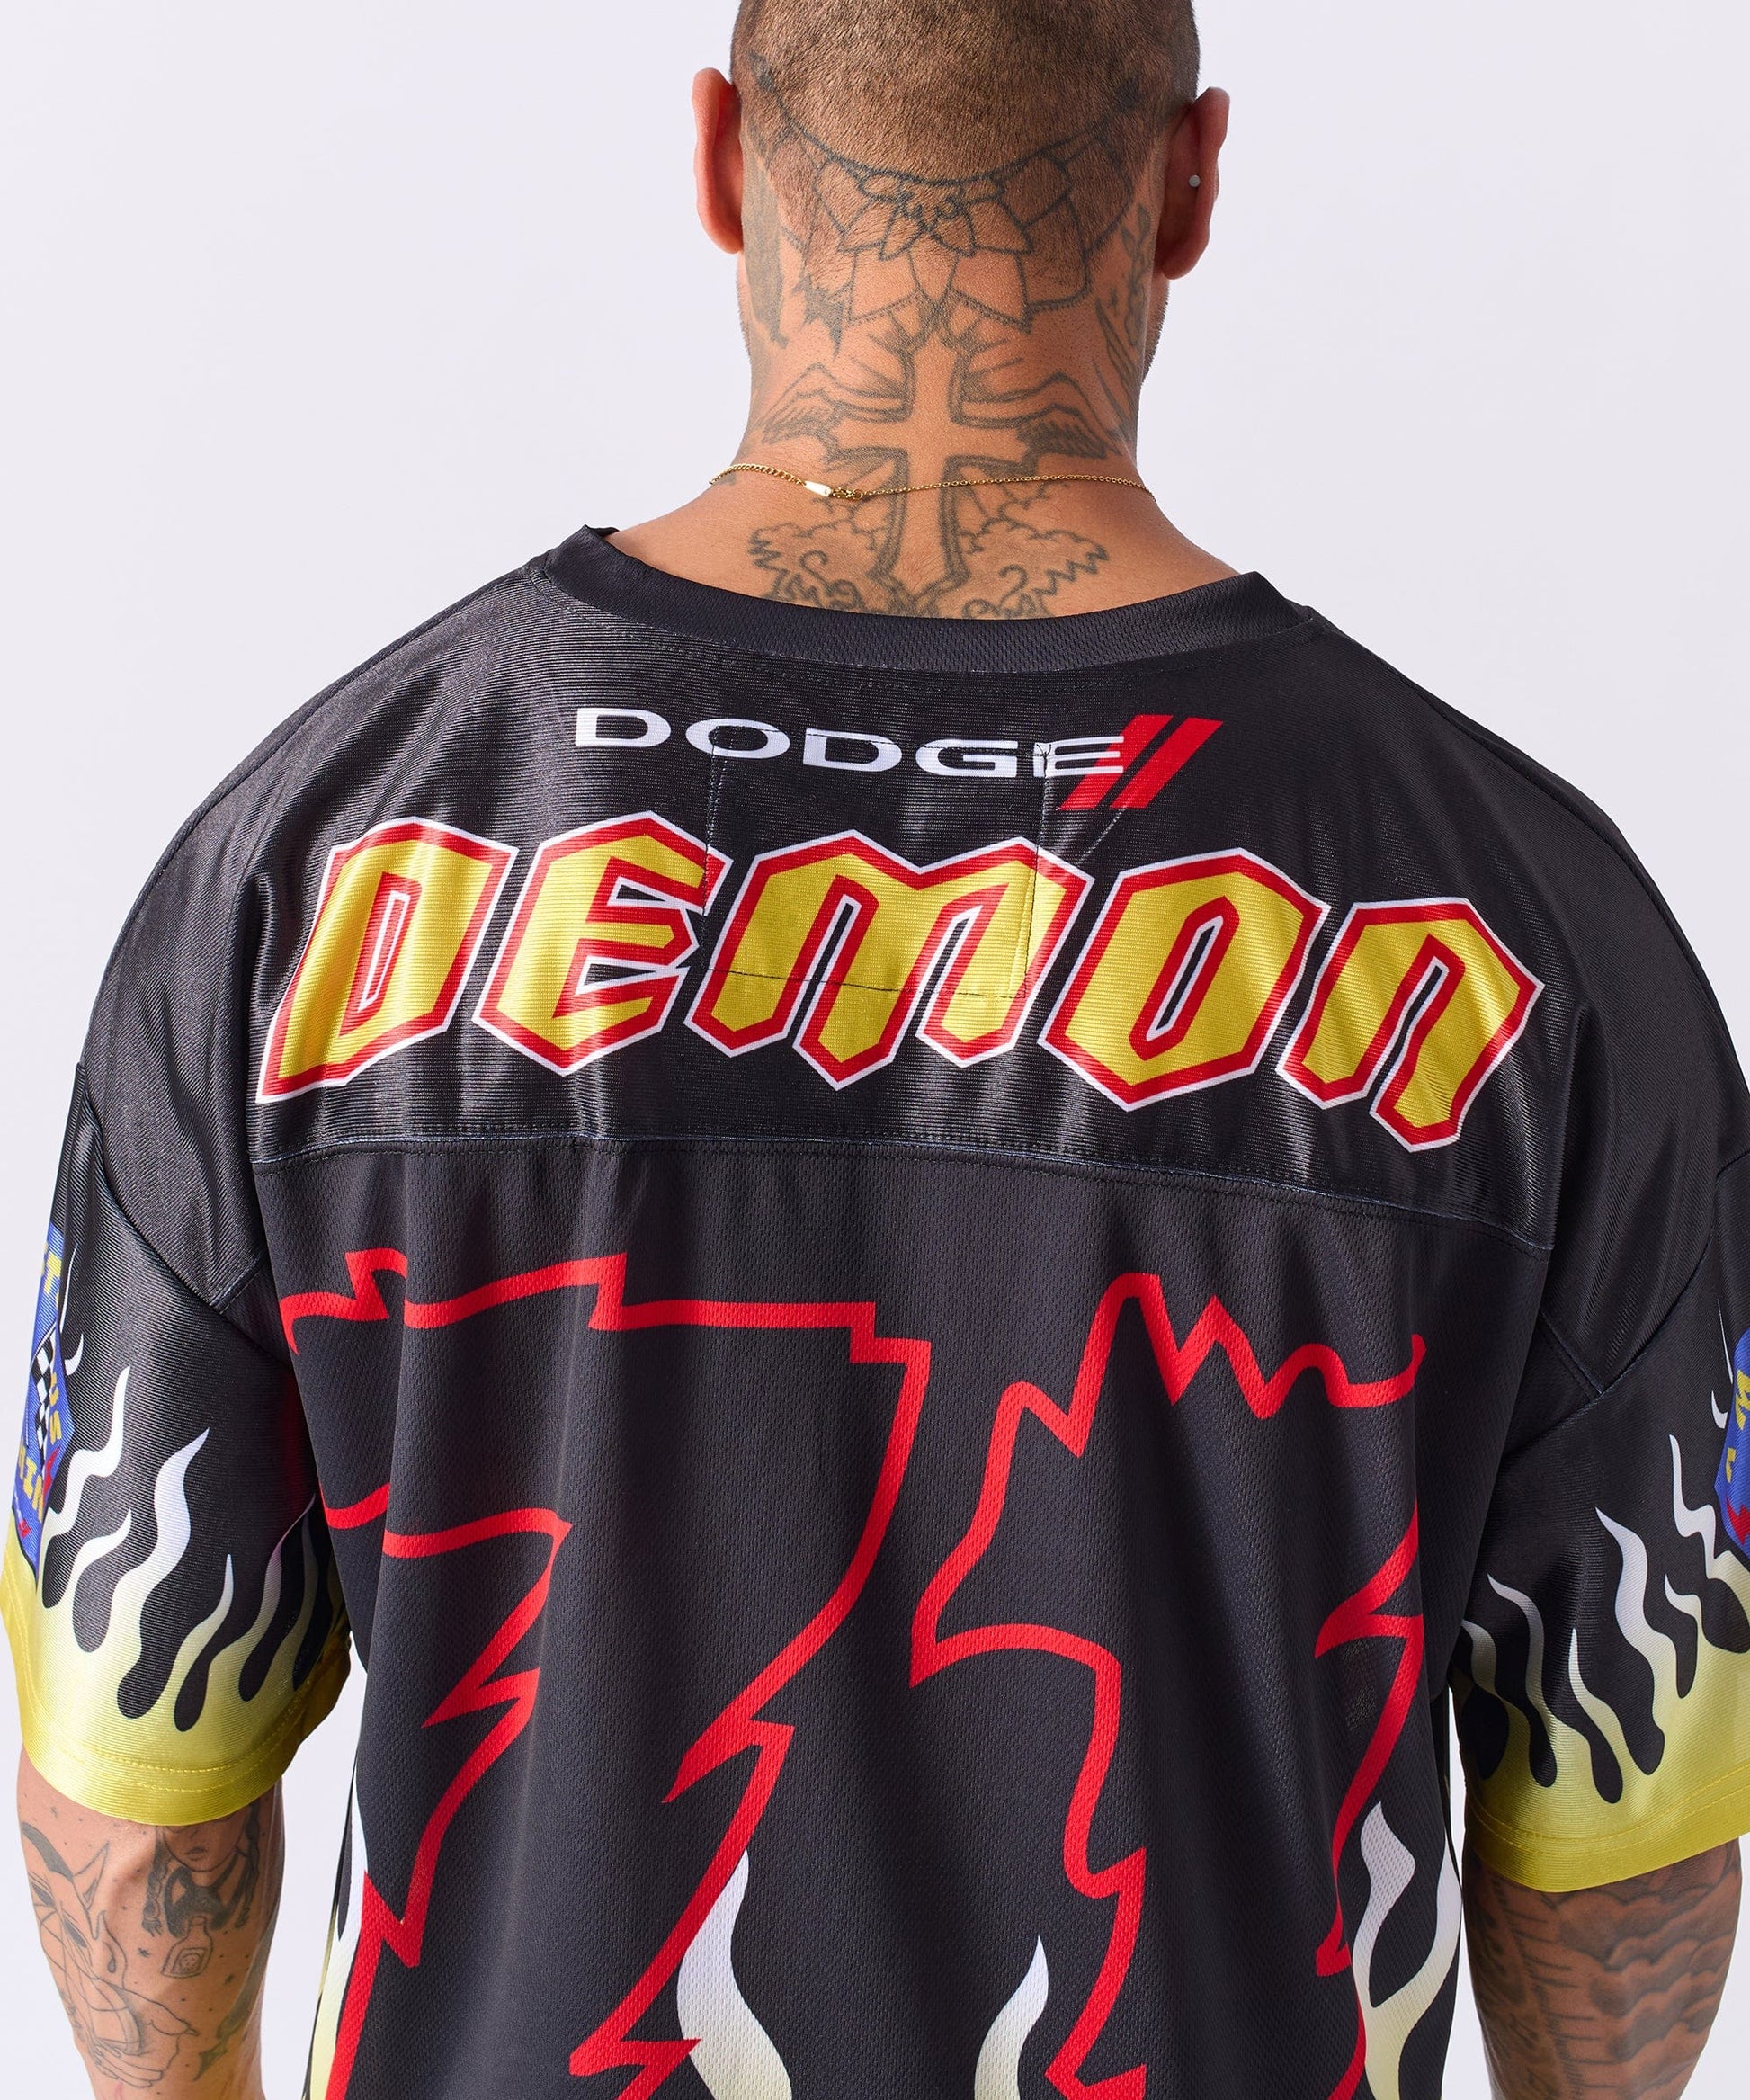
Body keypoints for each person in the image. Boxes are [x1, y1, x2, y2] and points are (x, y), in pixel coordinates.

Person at [7, 3, 1747, 2095]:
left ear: (720, 158)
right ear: (1191, 182)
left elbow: (136, 1784)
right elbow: (1626, 1812)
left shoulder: (307, 863)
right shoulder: (1526, 924)